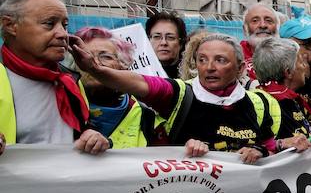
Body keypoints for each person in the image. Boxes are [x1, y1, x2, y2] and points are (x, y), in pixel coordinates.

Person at [71, 31, 279, 163]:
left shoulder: (260, 103)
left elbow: (272, 152)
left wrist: (259, 152)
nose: (209, 67)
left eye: (221, 60)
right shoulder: (178, 94)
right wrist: (96, 69)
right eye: (202, 60)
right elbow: (138, 83)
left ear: (240, 68)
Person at [0, 0, 108, 156]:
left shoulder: (69, 80)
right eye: (49, 24)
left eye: (64, 25)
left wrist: (93, 137)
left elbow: (84, 130)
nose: (62, 34)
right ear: (10, 25)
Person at [251, 36, 311, 151]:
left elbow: (303, 137)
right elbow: (249, 149)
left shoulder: (291, 98)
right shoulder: (263, 104)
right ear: (288, 72)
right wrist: (280, 144)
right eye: (302, 62)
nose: (306, 67)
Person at [74, 28, 159, 147]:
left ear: (123, 67)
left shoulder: (146, 116)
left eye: (106, 57)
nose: (95, 63)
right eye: (86, 57)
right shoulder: (64, 106)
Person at [240, 3, 280, 82]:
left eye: (269, 21)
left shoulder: (290, 55)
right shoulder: (235, 56)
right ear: (245, 29)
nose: (263, 25)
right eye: (255, 21)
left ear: (278, 27)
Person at [145, 11, 187, 79]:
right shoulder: (140, 75)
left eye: (170, 37)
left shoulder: (191, 76)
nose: (163, 43)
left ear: (181, 43)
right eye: (157, 37)